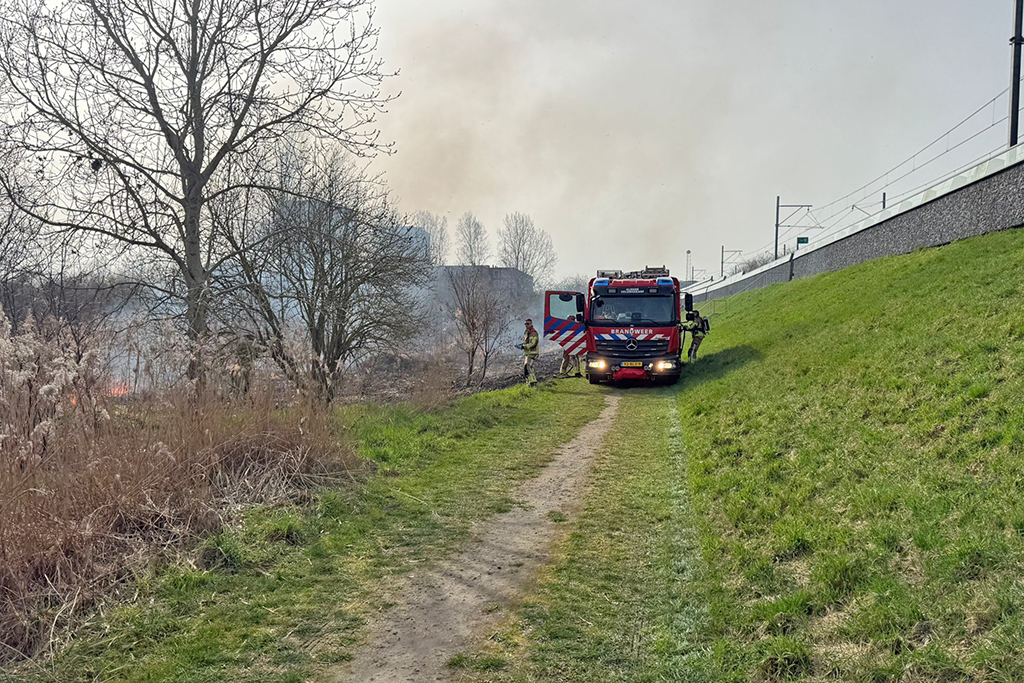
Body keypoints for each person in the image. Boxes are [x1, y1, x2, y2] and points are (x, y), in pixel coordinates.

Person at [516, 318, 540, 386]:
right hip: (529, 352)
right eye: (525, 324)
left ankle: (532, 381)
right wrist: (522, 345)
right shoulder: (527, 332)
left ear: (531, 324)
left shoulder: (533, 332)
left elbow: (534, 343)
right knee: (528, 367)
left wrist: (524, 346)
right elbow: (527, 342)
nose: (526, 325)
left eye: (528, 324)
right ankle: (530, 381)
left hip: (532, 352)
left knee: (528, 367)